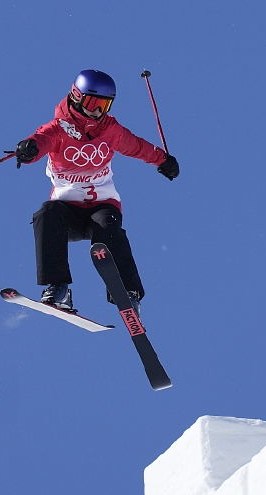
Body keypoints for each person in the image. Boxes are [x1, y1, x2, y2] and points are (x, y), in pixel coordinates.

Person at [14, 69, 179, 314]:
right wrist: (29, 149)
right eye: (93, 102)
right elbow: (41, 140)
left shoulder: (110, 130)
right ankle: (57, 287)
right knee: (45, 214)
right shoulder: (59, 129)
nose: (98, 111)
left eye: (105, 105)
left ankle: (127, 292)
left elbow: (136, 146)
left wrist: (162, 160)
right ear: (76, 97)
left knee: (108, 229)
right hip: (66, 209)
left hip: (102, 204)